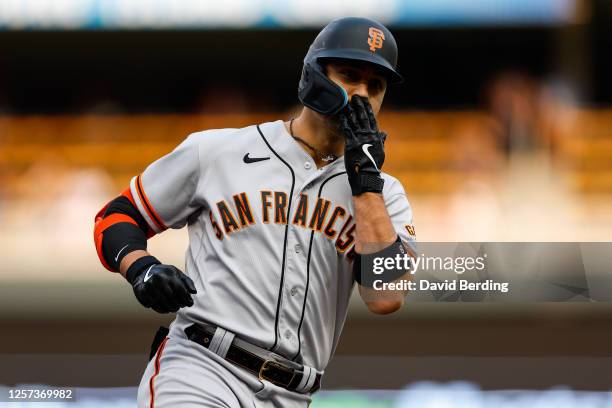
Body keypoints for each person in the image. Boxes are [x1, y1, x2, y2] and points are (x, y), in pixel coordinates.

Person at [93, 16, 416, 408]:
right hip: (201, 367)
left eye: (376, 85)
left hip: (292, 394)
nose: (362, 93)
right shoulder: (219, 152)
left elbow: (385, 297)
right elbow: (118, 214)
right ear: (314, 75)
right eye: (349, 74)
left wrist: (366, 182)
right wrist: (140, 266)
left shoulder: (386, 196)